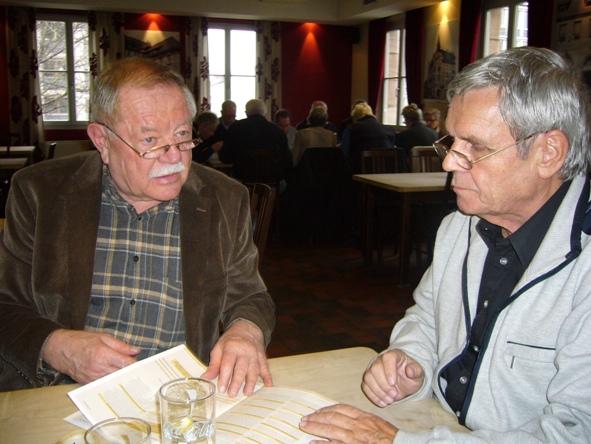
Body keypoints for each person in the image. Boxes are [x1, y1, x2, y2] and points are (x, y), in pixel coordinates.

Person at [300, 47, 591, 442]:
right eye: (452, 142)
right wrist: (410, 360)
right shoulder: (460, 226)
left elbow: (574, 432)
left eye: (476, 147)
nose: (449, 162)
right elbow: (427, 317)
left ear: (548, 153)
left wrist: (396, 442)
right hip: (436, 423)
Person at [0, 57, 275, 396]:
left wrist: (246, 331)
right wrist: (57, 346)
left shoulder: (225, 198)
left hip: (182, 395)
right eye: (150, 141)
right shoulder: (41, 193)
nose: (174, 158)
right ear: (102, 140)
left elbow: (251, 296)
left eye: (182, 136)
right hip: (65, 392)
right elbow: (6, 305)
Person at [219, 99, 292, 184]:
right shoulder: (277, 131)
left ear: (247, 113)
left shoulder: (235, 128)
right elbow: (287, 160)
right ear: (264, 113)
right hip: (270, 182)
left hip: (243, 181)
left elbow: (225, 158)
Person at [342, 101, 393, 173]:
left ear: (355, 117)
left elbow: (344, 153)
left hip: (360, 171)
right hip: (386, 171)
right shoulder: (389, 130)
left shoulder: (351, 130)